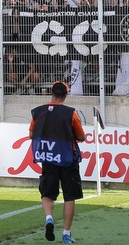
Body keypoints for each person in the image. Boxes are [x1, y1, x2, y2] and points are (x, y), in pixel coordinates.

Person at [29, 81, 86, 243]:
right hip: (68, 159)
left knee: (47, 192)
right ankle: (66, 234)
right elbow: (81, 137)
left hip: (48, 158)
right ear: (66, 95)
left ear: (51, 92)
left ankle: (49, 218)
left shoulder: (38, 112)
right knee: (70, 196)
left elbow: (31, 134)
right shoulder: (70, 113)